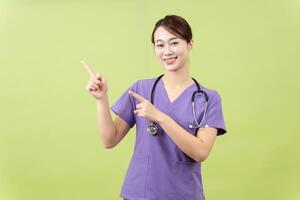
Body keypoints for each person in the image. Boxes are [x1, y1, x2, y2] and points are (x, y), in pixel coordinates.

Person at [82, 14, 227, 200]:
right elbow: (109, 140)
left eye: (174, 43)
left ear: (190, 44)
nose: (167, 51)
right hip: (140, 193)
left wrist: (161, 117)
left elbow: (201, 152)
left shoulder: (208, 99)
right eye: (160, 45)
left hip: (184, 194)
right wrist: (101, 100)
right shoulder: (141, 89)